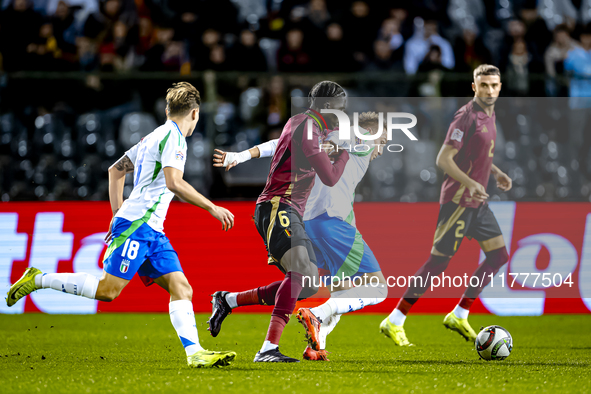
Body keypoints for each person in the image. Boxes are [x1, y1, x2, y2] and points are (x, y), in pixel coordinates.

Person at [6, 82, 237, 368]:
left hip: (150, 228)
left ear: (167, 110)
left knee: (182, 287)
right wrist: (212, 207)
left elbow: (114, 171)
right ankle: (38, 278)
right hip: (138, 225)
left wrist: (116, 212)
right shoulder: (175, 139)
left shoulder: (152, 136)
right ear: (195, 114)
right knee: (108, 291)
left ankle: (195, 354)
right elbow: (174, 183)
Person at [212, 112, 389, 361]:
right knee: (379, 287)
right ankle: (315, 314)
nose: (381, 149)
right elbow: (357, 138)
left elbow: (282, 142)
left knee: (327, 288)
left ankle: (313, 344)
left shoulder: (324, 139)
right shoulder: (358, 140)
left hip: (309, 222)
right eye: (382, 141)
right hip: (332, 223)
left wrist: (243, 155)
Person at [208, 81, 351, 363]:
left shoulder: (303, 123)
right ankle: (267, 349)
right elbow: (331, 177)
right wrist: (345, 152)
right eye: (340, 105)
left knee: (307, 284)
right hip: (278, 205)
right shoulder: (310, 127)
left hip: (286, 208)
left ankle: (228, 300)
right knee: (299, 271)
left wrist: (242, 155)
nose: (343, 112)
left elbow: (277, 144)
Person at [381, 65, 513, 346]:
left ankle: (460, 313)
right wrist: (471, 183)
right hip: (458, 201)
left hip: (477, 202)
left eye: (494, 85)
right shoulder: (466, 117)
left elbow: (477, 155)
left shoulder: (490, 114)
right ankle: (395, 319)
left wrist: (495, 173)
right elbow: (443, 159)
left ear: (500, 87)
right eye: (484, 85)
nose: (490, 90)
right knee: (438, 263)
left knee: (499, 256)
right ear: (473, 86)